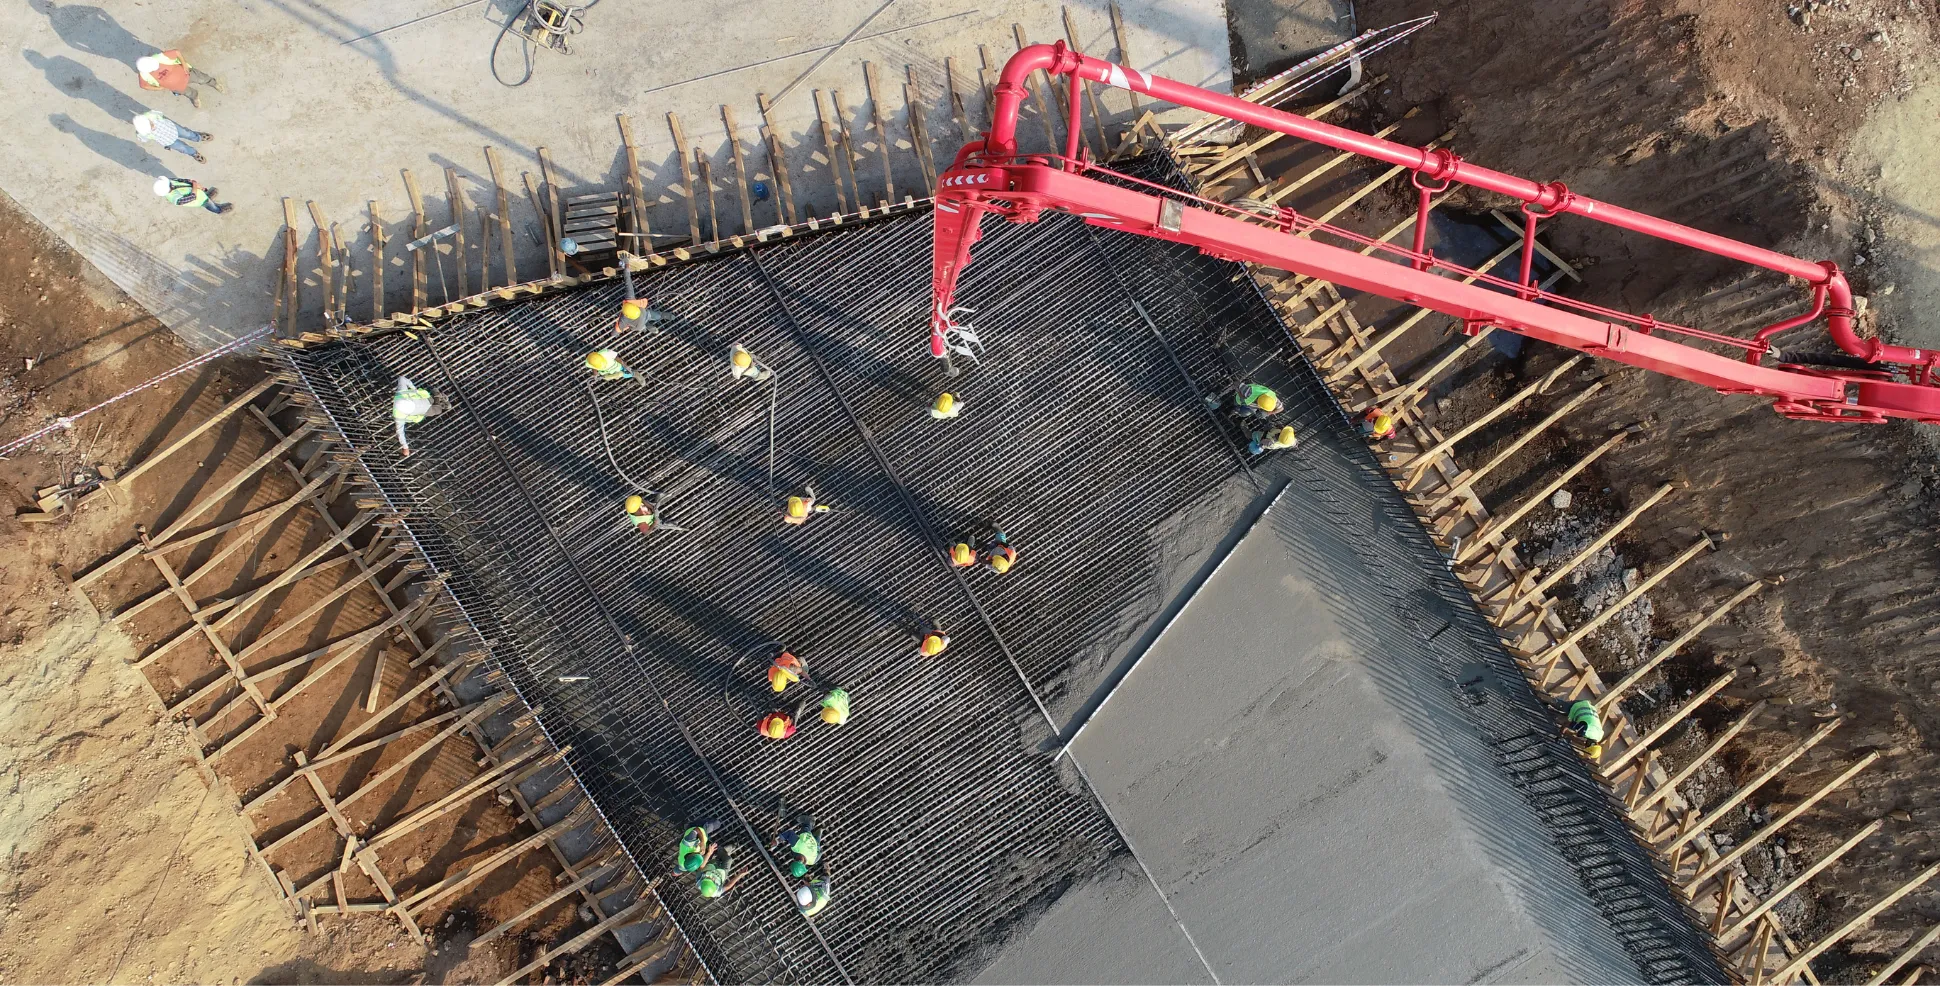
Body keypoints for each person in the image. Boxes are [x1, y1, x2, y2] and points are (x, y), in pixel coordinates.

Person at [135, 50, 223, 108]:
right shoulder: (144, 74)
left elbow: (176, 52)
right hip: (177, 87)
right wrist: (158, 88)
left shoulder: (160, 58)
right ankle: (195, 97)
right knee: (189, 92)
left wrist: (184, 64)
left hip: (187, 74)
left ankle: (213, 83)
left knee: (202, 78)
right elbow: (143, 86)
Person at [132, 110, 209, 162]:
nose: (152, 127)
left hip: (172, 128)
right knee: (182, 148)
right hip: (167, 141)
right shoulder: (142, 134)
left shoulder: (151, 115)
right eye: (150, 129)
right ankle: (194, 153)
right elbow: (143, 139)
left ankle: (198, 137)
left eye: (151, 124)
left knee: (186, 133)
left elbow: (159, 114)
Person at [392, 376, 437, 456]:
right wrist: (405, 447)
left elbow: (401, 378)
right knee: (437, 409)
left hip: (426, 400)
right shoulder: (399, 415)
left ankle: (438, 397)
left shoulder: (401, 394)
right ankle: (439, 400)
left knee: (435, 405)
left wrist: (414, 389)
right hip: (425, 407)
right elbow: (400, 431)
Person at [153, 176, 231, 215]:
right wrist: (194, 185)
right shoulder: (176, 199)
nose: (170, 181)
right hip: (200, 200)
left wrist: (194, 184)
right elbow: (193, 197)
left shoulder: (169, 181)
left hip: (199, 192)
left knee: (205, 196)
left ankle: (207, 195)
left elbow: (180, 180)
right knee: (210, 205)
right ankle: (219, 210)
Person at [1213, 381, 1279, 420]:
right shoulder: (1249, 392)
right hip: (1240, 398)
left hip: (1249, 404)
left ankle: (1236, 411)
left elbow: (1281, 408)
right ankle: (1235, 408)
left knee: (1244, 413)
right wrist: (1238, 391)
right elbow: (1236, 383)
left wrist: (1269, 413)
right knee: (1236, 403)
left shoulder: (1272, 397)